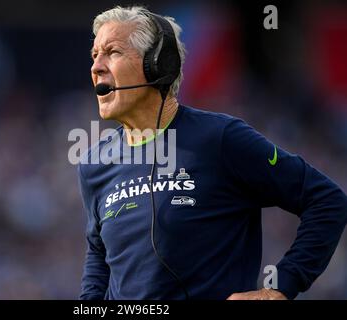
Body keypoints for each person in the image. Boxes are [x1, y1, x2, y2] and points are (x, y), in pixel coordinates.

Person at [77, 5, 347, 300]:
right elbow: (99, 258)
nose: (96, 66)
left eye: (112, 52)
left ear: (157, 65)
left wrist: (279, 289)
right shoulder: (94, 162)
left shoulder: (220, 138)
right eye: (94, 55)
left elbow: (327, 200)